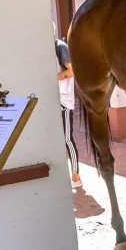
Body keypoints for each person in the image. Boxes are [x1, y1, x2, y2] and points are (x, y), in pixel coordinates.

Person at [55, 24, 82, 189]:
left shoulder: (59, 46)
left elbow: (72, 71)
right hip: (50, 99)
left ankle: (76, 175)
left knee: (67, 139)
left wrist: (50, 78)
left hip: (63, 101)